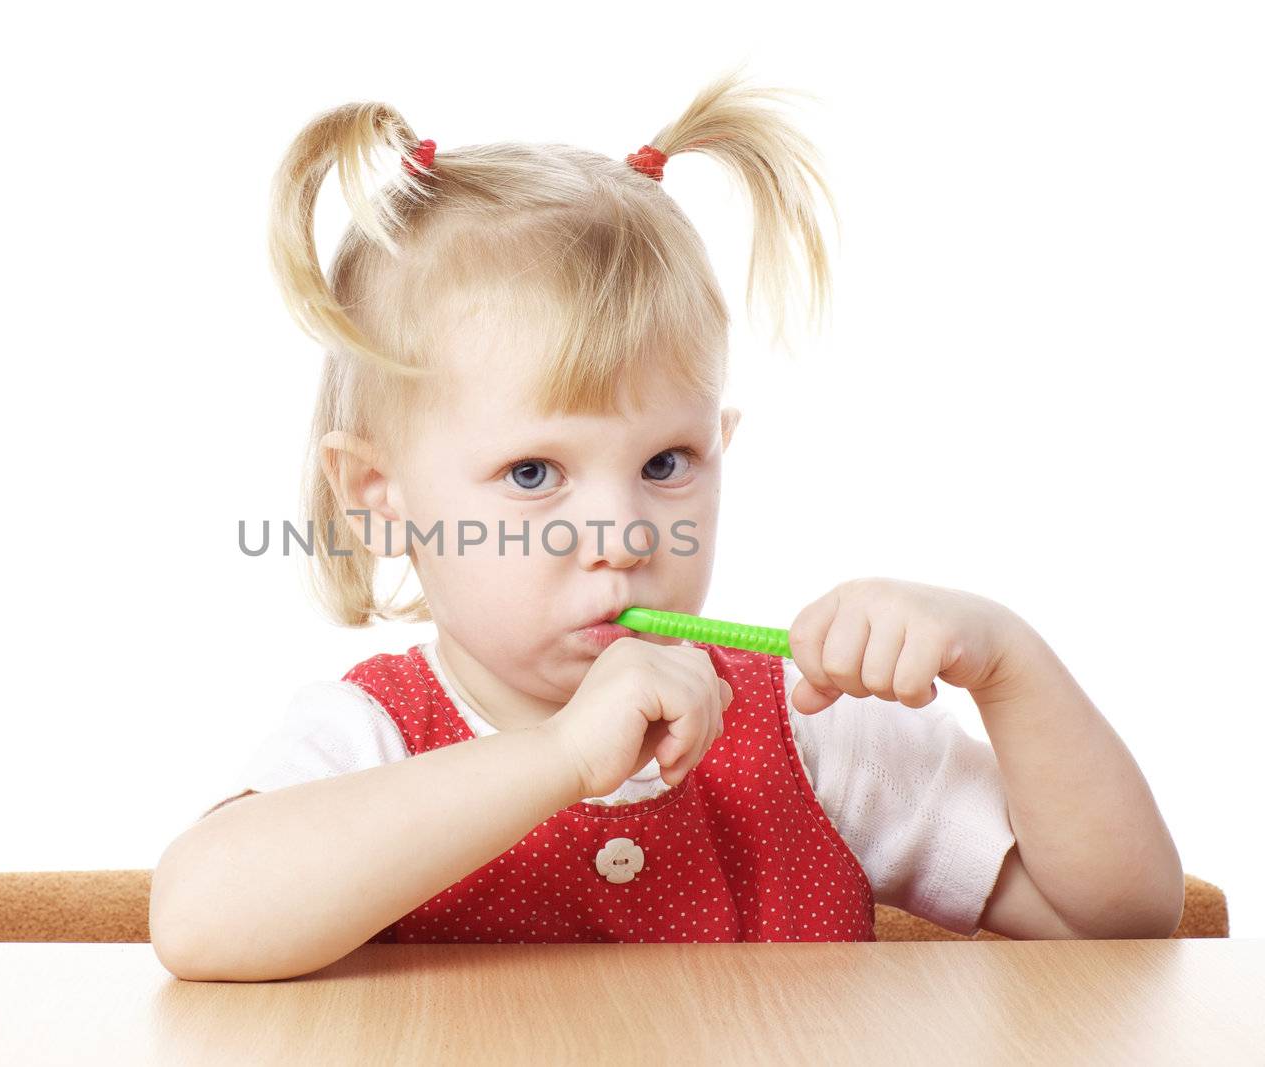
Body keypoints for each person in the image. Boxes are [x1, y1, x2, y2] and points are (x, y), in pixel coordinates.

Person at [151, 68, 1184, 982]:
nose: (622, 532)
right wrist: (558, 756)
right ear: (378, 492)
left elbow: (1118, 915)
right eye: (531, 471)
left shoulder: (810, 724)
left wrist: (1010, 667)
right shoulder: (369, 737)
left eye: (664, 463)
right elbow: (198, 920)